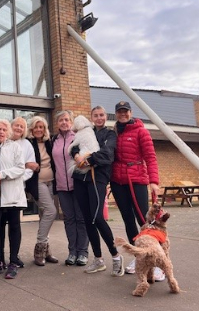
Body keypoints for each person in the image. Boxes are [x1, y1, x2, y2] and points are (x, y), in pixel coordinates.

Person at [111, 101, 164, 281]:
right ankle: (139, 256)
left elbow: (151, 157)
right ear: (116, 114)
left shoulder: (141, 131)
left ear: (131, 113)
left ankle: (158, 262)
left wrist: (154, 181)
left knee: (145, 222)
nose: (123, 114)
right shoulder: (114, 132)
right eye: (120, 112)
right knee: (128, 221)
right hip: (118, 182)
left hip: (137, 181)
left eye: (126, 111)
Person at [71, 107, 124, 276]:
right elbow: (74, 146)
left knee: (97, 218)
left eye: (102, 115)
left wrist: (88, 160)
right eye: (96, 115)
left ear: (105, 116)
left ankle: (116, 257)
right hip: (80, 178)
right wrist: (76, 156)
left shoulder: (109, 135)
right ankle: (98, 259)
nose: (99, 118)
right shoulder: (87, 131)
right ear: (91, 118)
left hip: (97, 177)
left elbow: (107, 155)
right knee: (88, 220)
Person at [0, 119, 26, 279]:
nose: (1, 132)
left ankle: (13, 262)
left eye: (4, 129)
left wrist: (0, 174)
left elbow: (20, 168)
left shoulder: (15, 147)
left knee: (14, 227)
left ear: (8, 132)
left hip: (13, 195)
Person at [51, 110, 89, 266]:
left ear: (71, 122)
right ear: (57, 123)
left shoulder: (78, 138)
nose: (64, 122)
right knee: (69, 220)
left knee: (81, 219)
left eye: (67, 119)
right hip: (61, 186)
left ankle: (83, 252)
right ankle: (72, 252)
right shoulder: (54, 140)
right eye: (61, 120)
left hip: (78, 185)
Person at [0, 117, 35, 268]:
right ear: (10, 126)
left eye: (22, 126)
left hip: (16, 188)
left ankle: (14, 256)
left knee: (14, 225)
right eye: (16, 125)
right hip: (0, 189)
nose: (19, 128)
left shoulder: (26, 145)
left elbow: (29, 167)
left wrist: (17, 179)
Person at [26, 116, 59, 266]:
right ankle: (39, 249)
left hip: (50, 182)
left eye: (42, 127)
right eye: (36, 127)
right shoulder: (28, 143)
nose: (39, 130)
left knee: (44, 214)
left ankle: (46, 250)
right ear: (31, 129)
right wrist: (28, 164)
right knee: (51, 211)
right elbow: (21, 159)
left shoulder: (49, 142)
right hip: (37, 182)